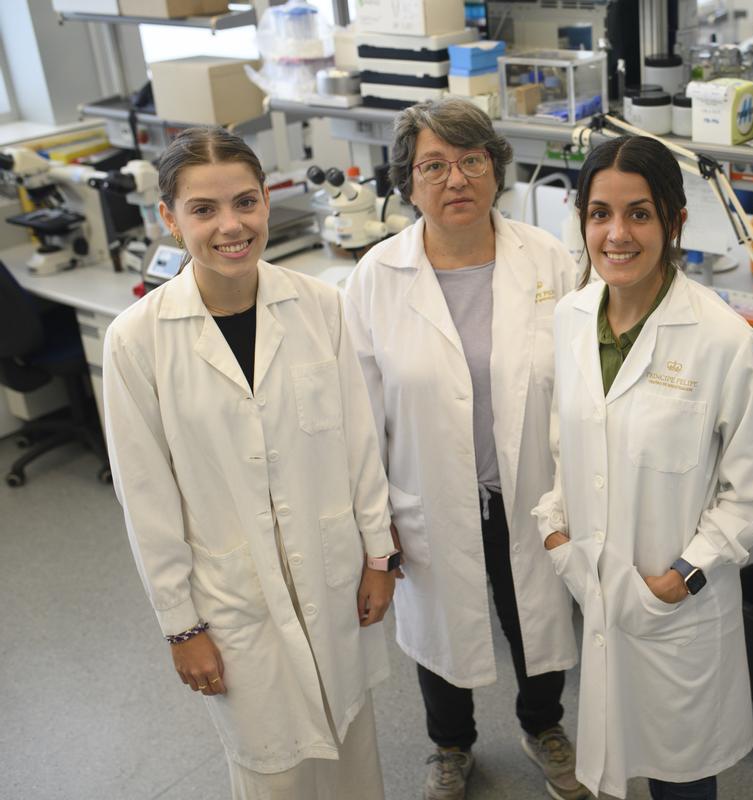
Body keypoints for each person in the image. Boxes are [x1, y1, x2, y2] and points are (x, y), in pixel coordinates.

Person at [102, 127, 398, 800]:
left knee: (352, 751)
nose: (231, 226)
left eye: (246, 202)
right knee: (274, 772)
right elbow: (146, 501)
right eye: (204, 210)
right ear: (169, 218)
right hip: (232, 603)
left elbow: (359, 445)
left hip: (332, 577)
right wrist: (182, 627)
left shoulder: (321, 305)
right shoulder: (137, 342)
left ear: (268, 201)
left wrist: (380, 558)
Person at [341, 98, 586, 800]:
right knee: (440, 628)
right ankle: (450, 745)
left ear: (495, 169)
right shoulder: (374, 280)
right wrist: (375, 521)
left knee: (537, 620)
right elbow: (359, 419)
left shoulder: (548, 260)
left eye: (472, 160)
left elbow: (576, 391)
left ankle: (543, 725)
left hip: (529, 492)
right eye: (435, 165)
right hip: (427, 496)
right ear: (408, 181)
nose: (457, 180)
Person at [536, 135, 753, 800]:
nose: (617, 234)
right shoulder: (571, 317)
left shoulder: (724, 342)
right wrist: (556, 529)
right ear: (581, 219)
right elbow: (567, 441)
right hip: (599, 587)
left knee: (682, 775)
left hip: (680, 605)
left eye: (639, 214)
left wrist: (683, 576)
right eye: (600, 213)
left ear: (675, 223)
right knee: (613, 756)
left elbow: (752, 493)